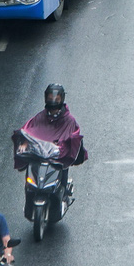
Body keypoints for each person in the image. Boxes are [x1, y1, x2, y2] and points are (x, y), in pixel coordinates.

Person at [14, 84, 87, 213]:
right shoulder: (40, 116)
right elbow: (28, 130)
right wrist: (24, 142)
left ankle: (63, 192)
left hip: (58, 155)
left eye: (57, 98)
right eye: (51, 97)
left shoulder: (69, 120)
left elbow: (74, 135)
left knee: (63, 166)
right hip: (41, 153)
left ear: (62, 99)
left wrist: (64, 147)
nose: (53, 100)